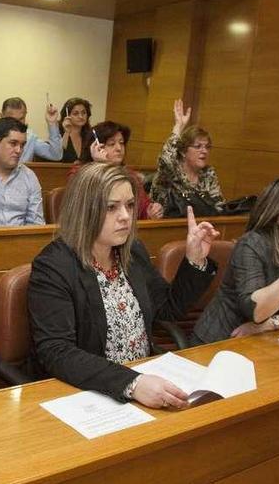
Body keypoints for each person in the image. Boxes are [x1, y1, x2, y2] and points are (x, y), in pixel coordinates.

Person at [27, 164, 219, 408]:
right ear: (85, 210)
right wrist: (133, 384)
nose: (126, 216)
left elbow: (168, 309)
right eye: (111, 207)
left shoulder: (132, 252)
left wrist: (195, 260)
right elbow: (57, 351)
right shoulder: (54, 265)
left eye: (129, 205)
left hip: (142, 383)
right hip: (91, 392)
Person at [191, 178, 279, 345]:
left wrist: (271, 324)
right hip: (221, 341)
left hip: (273, 340)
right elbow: (256, 311)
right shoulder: (251, 245)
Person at [67, 121, 164, 219]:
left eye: (121, 143)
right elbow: (87, 207)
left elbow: (142, 205)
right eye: (112, 144)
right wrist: (101, 166)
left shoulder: (129, 174)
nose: (119, 148)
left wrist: (150, 211)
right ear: (96, 146)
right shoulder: (79, 172)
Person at [149, 99, 225, 217]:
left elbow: (219, 207)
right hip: (167, 226)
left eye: (207, 147)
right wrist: (178, 126)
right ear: (183, 152)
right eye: (198, 146)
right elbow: (166, 159)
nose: (204, 151)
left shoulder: (208, 173)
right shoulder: (171, 171)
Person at [0, 97, 63, 162]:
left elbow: (56, 155)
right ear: (1, 116)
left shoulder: (30, 138)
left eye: (21, 119)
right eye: (11, 120)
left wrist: (52, 124)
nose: (16, 124)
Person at [58, 97, 93, 163]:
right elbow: (59, 154)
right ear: (67, 116)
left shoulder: (90, 136)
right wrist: (66, 133)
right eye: (75, 113)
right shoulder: (58, 135)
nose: (81, 116)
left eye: (84, 113)